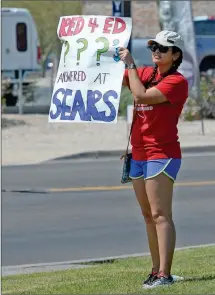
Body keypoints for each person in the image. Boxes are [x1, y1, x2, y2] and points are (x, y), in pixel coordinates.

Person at [119, 30, 188, 289]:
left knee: (161, 215)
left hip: (162, 153)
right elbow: (117, 79)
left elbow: (141, 96)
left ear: (175, 55)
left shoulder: (177, 82)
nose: (156, 50)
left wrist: (131, 64)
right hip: (139, 152)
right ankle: (155, 270)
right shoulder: (147, 73)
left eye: (163, 47)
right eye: (153, 46)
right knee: (148, 215)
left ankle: (165, 275)